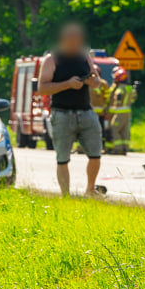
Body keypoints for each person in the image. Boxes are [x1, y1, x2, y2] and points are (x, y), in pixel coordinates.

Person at [37, 23, 103, 197]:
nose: (76, 43)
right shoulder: (52, 59)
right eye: (72, 39)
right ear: (63, 40)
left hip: (86, 112)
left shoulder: (84, 57)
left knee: (96, 154)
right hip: (62, 114)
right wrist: (68, 84)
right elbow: (42, 88)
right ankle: (66, 196)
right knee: (63, 158)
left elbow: (96, 82)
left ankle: (90, 190)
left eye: (78, 39)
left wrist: (91, 81)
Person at [106, 67, 137, 155]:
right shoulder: (129, 88)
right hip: (128, 112)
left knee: (114, 129)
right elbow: (133, 98)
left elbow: (117, 99)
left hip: (119, 113)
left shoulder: (119, 89)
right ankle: (125, 148)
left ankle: (118, 148)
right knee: (124, 130)